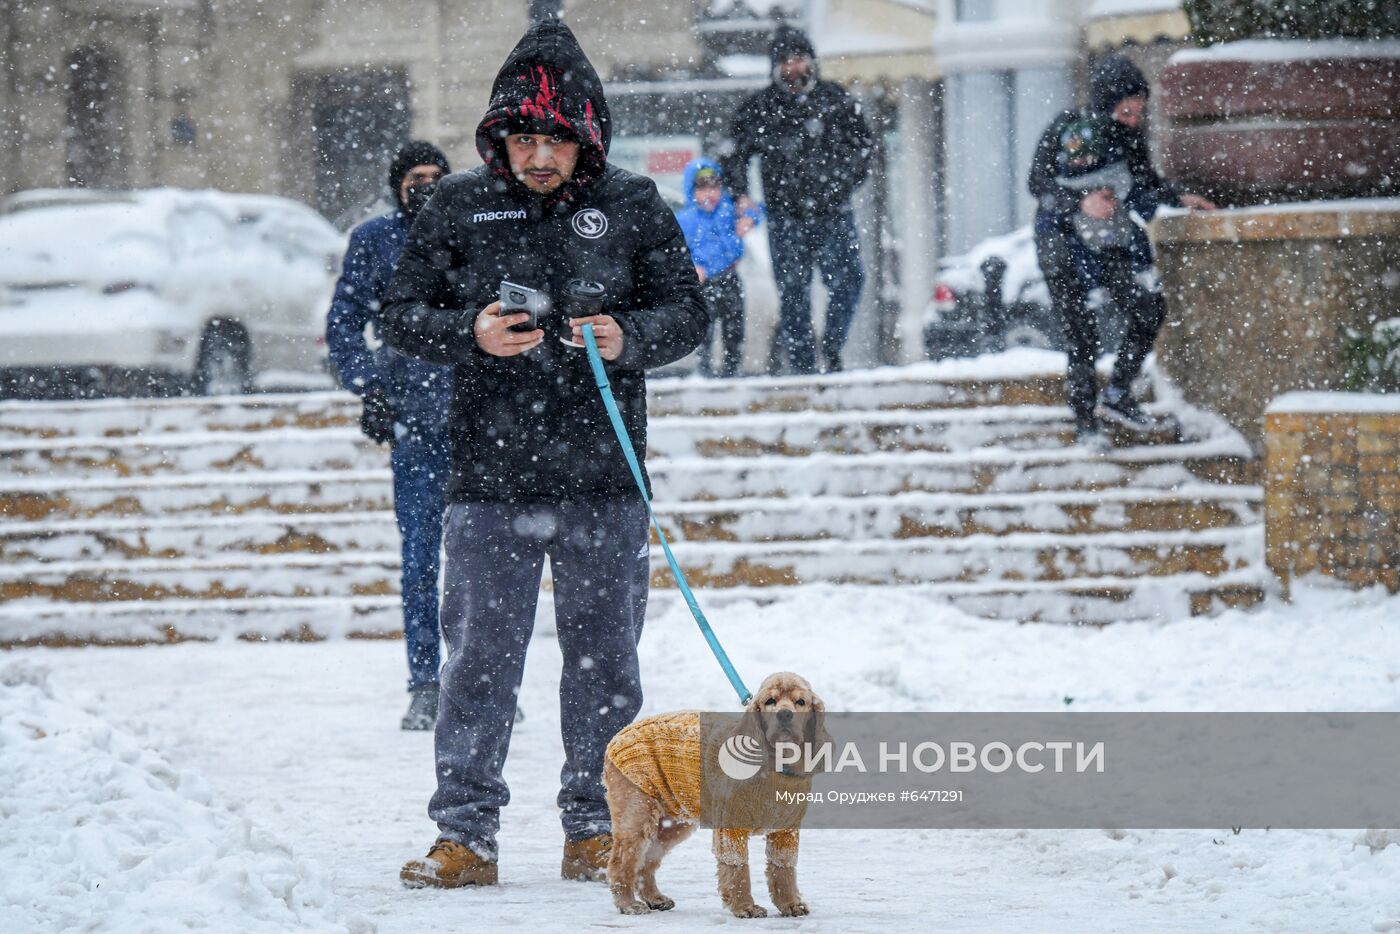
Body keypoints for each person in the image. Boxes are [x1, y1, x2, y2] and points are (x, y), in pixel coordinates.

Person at [379, 18, 708, 889]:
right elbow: (398, 314)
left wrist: (627, 335)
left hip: (604, 476)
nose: (535, 157)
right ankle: (466, 836)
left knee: (605, 666)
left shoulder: (633, 204)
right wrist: (471, 333)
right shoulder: (456, 203)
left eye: (553, 140)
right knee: (480, 661)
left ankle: (597, 830)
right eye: (521, 138)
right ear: (499, 137)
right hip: (489, 479)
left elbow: (689, 313)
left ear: (586, 135)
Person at [325, 140, 453, 730]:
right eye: (415, 178)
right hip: (415, 421)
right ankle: (425, 681)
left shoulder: (474, 230)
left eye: (436, 176)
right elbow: (345, 323)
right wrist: (372, 385)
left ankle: (476, 675)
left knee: (484, 562)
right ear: (397, 185)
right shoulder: (373, 240)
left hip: (483, 423)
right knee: (421, 557)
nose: (425, 186)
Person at [1027, 54, 1215, 444]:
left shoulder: (1131, 139)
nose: (1132, 120)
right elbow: (1038, 182)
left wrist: (1181, 198)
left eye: (1139, 112)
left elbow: (1146, 185)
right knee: (1081, 332)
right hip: (1060, 240)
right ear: (1104, 106)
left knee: (1148, 308)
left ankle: (1118, 393)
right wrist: (1080, 202)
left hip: (1109, 238)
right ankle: (1085, 424)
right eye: (1126, 111)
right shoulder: (1067, 128)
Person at [720, 23, 873, 375]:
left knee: (850, 281)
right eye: (785, 62)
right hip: (785, 217)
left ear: (812, 62)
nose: (793, 69)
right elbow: (734, 152)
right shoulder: (760, 108)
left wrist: (844, 182)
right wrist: (741, 193)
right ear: (775, 68)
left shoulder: (836, 100)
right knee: (793, 294)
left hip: (834, 213)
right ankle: (803, 366)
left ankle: (831, 349)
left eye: (799, 60)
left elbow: (863, 148)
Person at [675, 158, 762, 378]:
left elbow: (757, 210)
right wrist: (694, 267)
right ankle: (703, 372)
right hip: (703, 283)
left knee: (734, 329)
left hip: (730, 278)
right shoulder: (686, 219)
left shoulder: (728, 211)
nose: (710, 194)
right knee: (706, 330)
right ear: (690, 190)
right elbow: (679, 252)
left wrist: (749, 216)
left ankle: (732, 371)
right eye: (702, 188)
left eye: (715, 187)